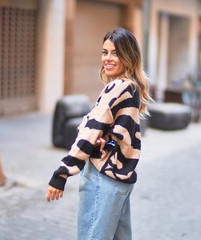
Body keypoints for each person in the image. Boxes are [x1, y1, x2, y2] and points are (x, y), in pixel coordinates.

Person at [46, 27, 152, 240]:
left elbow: (88, 131)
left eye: (115, 53)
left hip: (103, 178)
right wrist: (108, 142)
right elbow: (125, 135)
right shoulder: (131, 88)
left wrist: (62, 173)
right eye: (105, 52)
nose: (108, 58)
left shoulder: (118, 87)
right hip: (120, 181)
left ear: (128, 56)